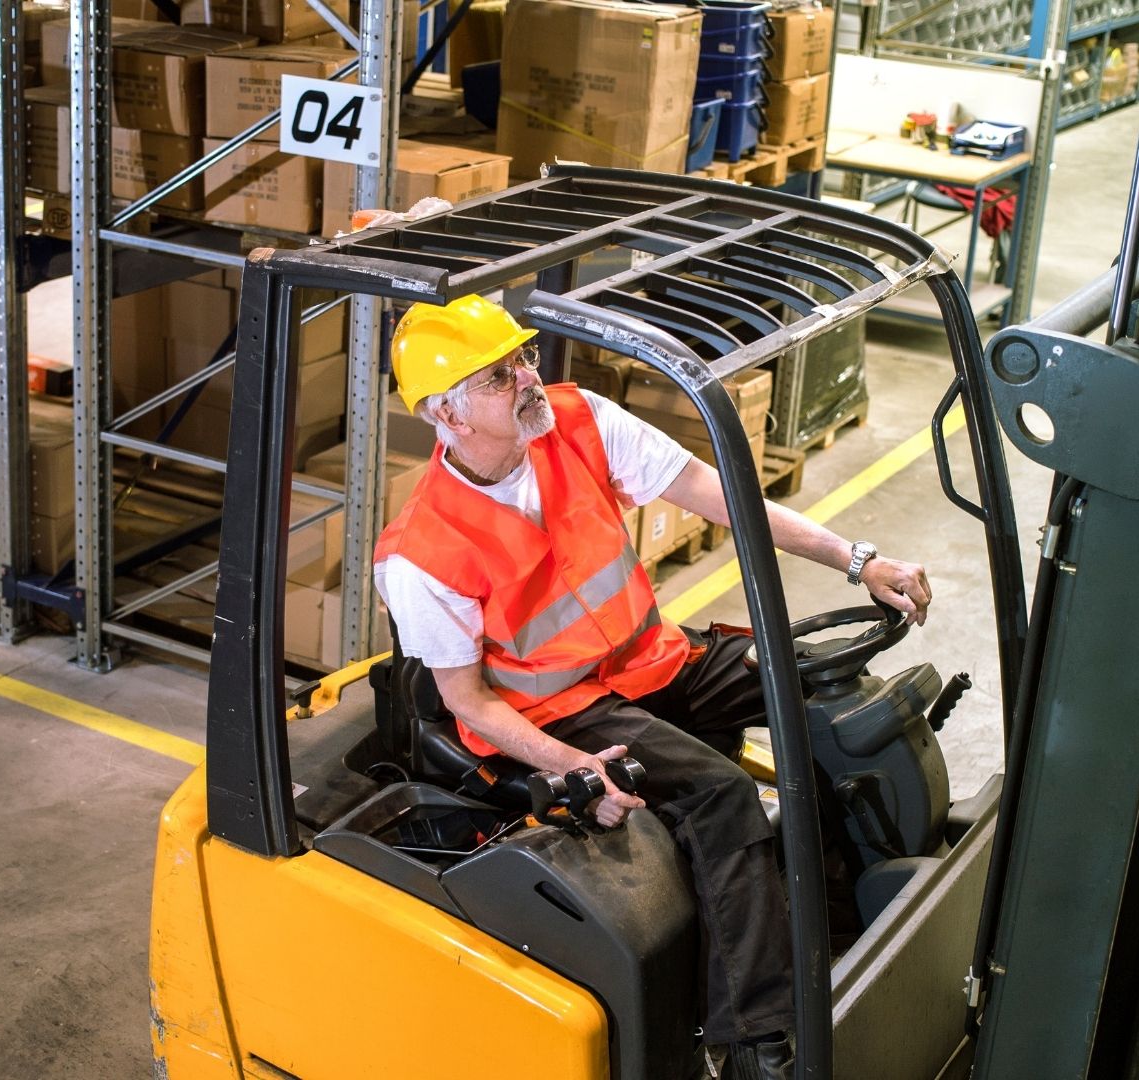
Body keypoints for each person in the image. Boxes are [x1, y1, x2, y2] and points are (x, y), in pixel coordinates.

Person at [371, 295, 933, 1080]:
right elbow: (468, 701)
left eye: (524, 358)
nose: (528, 377)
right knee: (721, 793)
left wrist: (858, 559)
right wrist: (566, 765)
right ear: (447, 414)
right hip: (564, 711)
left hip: (653, 662)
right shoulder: (420, 552)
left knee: (830, 694)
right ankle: (755, 1044)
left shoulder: (578, 420)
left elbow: (721, 493)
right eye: (500, 376)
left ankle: (848, 909)